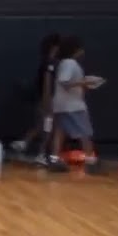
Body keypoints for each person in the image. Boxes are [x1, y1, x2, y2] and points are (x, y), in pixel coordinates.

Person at [47, 36, 104, 173]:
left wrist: (84, 81)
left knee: (60, 132)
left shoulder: (63, 63)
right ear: (75, 49)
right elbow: (64, 82)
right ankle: (91, 162)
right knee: (85, 132)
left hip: (61, 104)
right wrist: (85, 83)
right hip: (73, 105)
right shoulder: (70, 63)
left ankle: (55, 160)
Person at [11, 34, 60, 159]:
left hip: (43, 99)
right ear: (54, 47)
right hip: (46, 100)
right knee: (48, 127)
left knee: (41, 124)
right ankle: (41, 153)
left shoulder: (46, 62)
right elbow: (47, 83)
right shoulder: (50, 63)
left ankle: (24, 142)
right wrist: (47, 101)